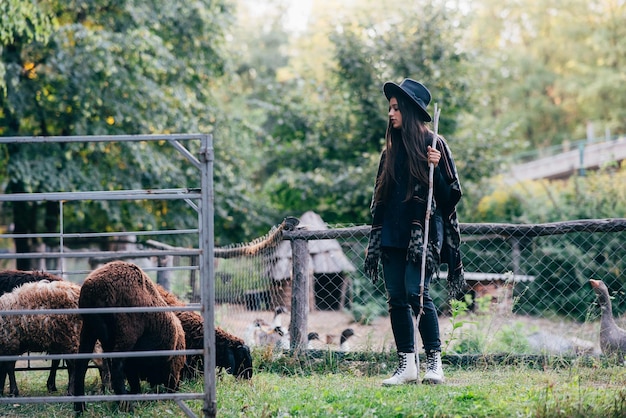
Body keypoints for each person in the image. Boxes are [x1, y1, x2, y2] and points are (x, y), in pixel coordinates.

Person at [364, 78, 466, 386]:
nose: (391, 114)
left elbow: (449, 199)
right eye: (390, 108)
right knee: (396, 298)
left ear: (408, 110)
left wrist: (437, 168)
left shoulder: (434, 144)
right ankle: (407, 366)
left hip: (421, 235)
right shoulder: (390, 152)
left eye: (395, 108)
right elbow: (379, 201)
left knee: (416, 292)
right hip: (391, 234)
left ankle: (434, 363)